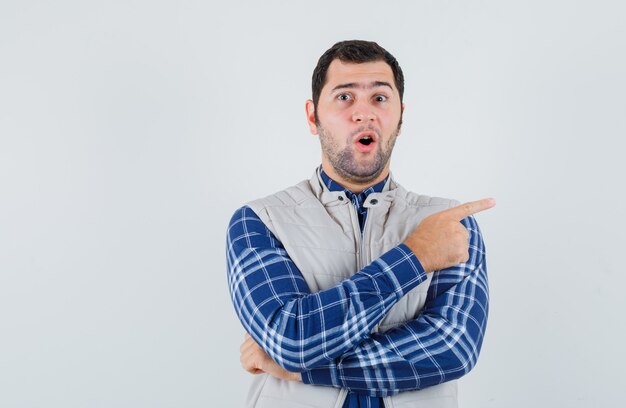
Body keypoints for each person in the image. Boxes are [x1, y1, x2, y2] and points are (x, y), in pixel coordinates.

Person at [226, 40, 495, 408]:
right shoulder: (260, 220)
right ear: (312, 117)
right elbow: (290, 338)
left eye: (380, 99)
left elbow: (452, 349)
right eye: (344, 97)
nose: (363, 114)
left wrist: (300, 370)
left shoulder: (450, 224)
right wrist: (415, 257)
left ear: (400, 117)